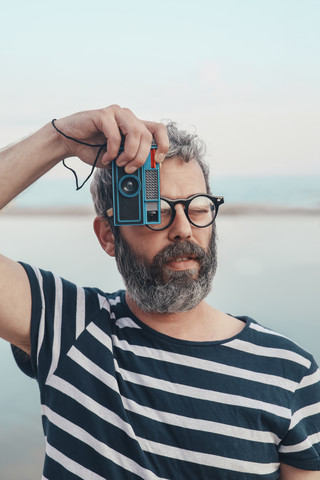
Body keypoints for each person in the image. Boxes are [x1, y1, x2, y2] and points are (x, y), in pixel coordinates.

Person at [0, 105, 319, 480]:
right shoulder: (67, 326)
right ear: (108, 235)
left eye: (199, 208)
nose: (184, 228)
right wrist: (57, 139)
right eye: (156, 210)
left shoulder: (290, 373)